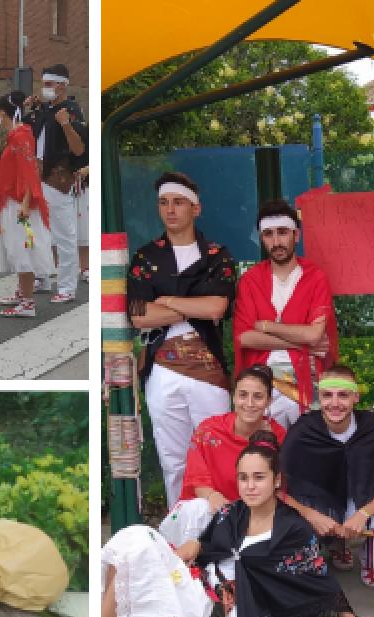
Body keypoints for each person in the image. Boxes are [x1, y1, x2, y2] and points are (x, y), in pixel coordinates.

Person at [101, 430, 374, 617]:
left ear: (277, 481)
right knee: (134, 539)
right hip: (199, 588)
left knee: (137, 542)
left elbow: (316, 579)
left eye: (259, 477)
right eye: (243, 478)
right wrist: (193, 545)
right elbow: (208, 543)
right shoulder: (231, 512)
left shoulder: (293, 530)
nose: (250, 486)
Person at [127, 171, 236, 508]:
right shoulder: (147, 257)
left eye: (178, 202)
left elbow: (218, 306)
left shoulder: (217, 255)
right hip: (161, 368)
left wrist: (168, 302)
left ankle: (219, 531)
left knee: (216, 454)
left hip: (208, 368)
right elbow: (138, 314)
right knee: (173, 460)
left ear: (196, 208)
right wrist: (194, 306)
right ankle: (179, 532)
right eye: (163, 203)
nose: (170, 209)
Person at [279, 364, 374, 588]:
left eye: (343, 395)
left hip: (363, 502)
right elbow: (279, 488)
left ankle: (370, 553)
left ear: (355, 397)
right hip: (320, 507)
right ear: (319, 397)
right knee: (291, 525)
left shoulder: (370, 426)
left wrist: (363, 514)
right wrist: (312, 515)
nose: (335, 403)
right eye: (327, 395)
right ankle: (331, 546)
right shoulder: (304, 430)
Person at [233, 199, 338, 427]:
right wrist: (299, 342)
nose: (276, 241)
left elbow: (314, 335)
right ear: (261, 239)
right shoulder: (249, 281)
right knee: (265, 455)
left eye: (283, 232)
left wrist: (268, 326)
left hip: (307, 379)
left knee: (306, 455)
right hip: (262, 383)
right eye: (269, 234)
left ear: (296, 235)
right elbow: (245, 337)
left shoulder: (315, 277)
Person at [158, 365, 287, 548]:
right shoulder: (210, 430)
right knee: (198, 509)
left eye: (258, 397)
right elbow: (197, 480)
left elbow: (280, 488)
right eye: (243, 395)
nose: (249, 403)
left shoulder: (279, 437)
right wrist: (212, 497)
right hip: (212, 509)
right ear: (233, 397)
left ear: (268, 401)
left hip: (255, 515)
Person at [25, 63, 87, 304]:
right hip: (38, 175)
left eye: (49, 84)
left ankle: (67, 287)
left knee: (64, 235)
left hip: (58, 178)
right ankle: (42, 276)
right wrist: (30, 109)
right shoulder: (45, 110)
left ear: (62, 85)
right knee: (37, 232)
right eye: (43, 84)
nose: (45, 88)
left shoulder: (70, 110)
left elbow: (79, 148)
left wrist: (66, 124)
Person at [0, 91, 52, 320]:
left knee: (22, 250)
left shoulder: (20, 135)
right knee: (16, 249)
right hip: (11, 199)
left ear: (2, 112)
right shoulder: (16, 135)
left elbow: (30, 171)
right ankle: (22, 293)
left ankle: (27, 302)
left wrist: (26, 202)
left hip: (19, 202)